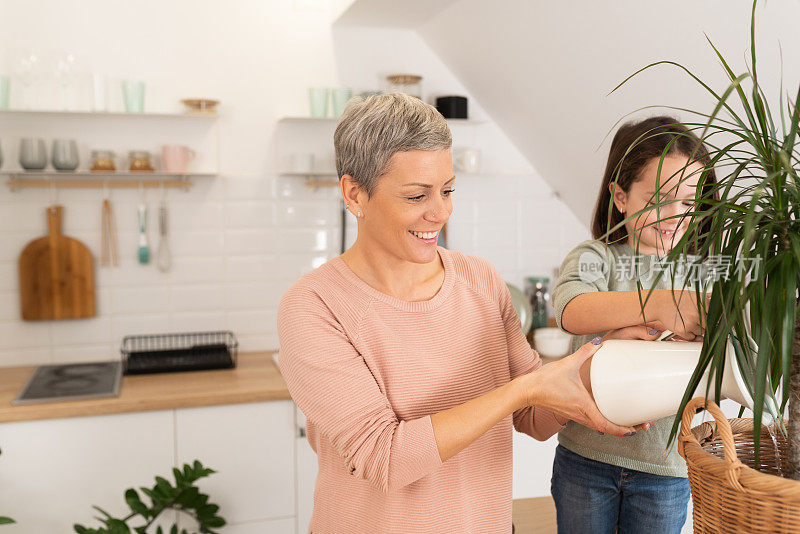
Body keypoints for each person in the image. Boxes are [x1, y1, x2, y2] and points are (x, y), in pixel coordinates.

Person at [277, 93, 644, 534]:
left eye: (447, 190)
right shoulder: (314, 306)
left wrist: (601, 362)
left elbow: (535, 417)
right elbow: (385, 458)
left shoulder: (480, 280)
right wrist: (521, 391)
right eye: (417, 195)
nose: (441, 212)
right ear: (354, 193)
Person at [550, 115, 718, 534]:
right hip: (586, 460)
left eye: (689, 202)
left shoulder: (705, 273)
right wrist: (660, 305)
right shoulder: (596, 258)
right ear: (621, 197)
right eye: (661, 198)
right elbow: (572, 309)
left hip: (666, 469)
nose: (677, 215)